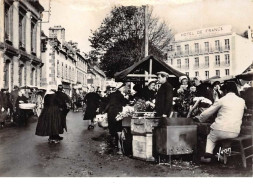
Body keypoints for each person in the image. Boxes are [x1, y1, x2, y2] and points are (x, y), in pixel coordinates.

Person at [195, 81, 245, 163]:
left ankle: (208, 156)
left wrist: (200, 118)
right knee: (227, 139)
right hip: (235, 131)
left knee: (211, 138)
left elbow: (207, 112)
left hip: (220, 129)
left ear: (225, 90)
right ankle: (225, 156)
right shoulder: (241, 101)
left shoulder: (222, 100)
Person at [104, 83, 127, 154]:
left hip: (111, 113)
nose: (124, 88)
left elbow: (106, 102)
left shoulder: (111, 95)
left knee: (112, 129)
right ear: (119, 88)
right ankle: (119, 147)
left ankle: (113, 144)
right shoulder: (120, 95)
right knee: (118, 129)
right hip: (117, 114)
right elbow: (124, 103)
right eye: (123, 87)